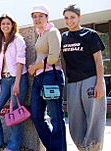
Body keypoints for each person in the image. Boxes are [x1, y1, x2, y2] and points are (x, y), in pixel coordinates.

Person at [61, 4, 106, 151]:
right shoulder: (63, 37)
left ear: (79, 17)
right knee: (75, 122)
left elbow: (99, 61)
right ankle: (83, 148)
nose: (69, 21)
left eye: (72, 17)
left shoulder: (90, 35)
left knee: (94, 119)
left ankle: (93, 148)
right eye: (66, 18)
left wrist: (100, 84)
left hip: (91, 80)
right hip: (73, 83)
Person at [28, 5, 67, 151]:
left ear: (47, 17)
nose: (37, 19)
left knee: (56, 117)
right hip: (39, 78)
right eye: (34, 16)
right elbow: (42, 56)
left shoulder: (52, 31)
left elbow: (53, 58)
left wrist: (34, 67)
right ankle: (53, 147)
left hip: (52, 76)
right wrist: (35, 67)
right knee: (37, 116)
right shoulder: (40, 34)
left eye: (40, 15)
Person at [0, 14, 28, 151]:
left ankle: (13, 145)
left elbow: (21, 62)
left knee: (15, 111)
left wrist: (17, 83)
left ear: (12, 25)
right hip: (4, 80)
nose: (5, 26)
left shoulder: (18, 40)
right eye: (3, 24)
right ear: (0, 26)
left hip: (18, 79)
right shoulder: (0, 41)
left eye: (8, 23)